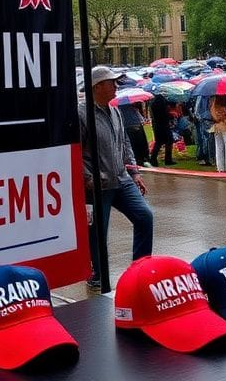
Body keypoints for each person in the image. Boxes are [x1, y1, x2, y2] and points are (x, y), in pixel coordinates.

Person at [79, 66, 153, 289]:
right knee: (98, 233)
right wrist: (87, 177)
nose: (117, 86)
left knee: (144, 216)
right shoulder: (81, 114)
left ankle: (139, 267)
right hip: (97, 184)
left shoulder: (115, 111)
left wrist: (134, 172)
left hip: (121, 179)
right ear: (97, 86)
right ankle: (98, 273)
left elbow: (125, 143)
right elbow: (73, 150)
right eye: (112, 83)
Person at [120, 101, 152, 168]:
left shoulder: (120, 106)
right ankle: (142, 160)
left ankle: (140, 160)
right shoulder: (127, 106)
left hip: (130, 126)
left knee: (136, 146)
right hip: (133, 126)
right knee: (138, 145)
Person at [208, 95, 226, 172]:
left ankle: (220, 168)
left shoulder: (213, 102)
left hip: (216, 126)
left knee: (219, 147)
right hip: (225, 126)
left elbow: (213, 115)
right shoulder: (225, 102)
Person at [148, 93, 176, 166]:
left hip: (156, 125)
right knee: (169, 141)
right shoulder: (161, 102)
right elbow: (164, 114)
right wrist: (171, 115)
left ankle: (153, 159)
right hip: (163, 125)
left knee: (158, 142)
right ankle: (168, 159)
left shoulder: (153, 102)